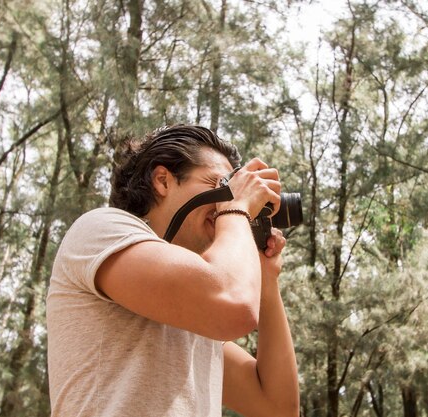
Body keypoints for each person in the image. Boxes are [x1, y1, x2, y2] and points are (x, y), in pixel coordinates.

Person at [46, 125, 299, 416]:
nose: (226, 198)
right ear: (163, 181)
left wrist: (267, 281)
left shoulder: (198, 313)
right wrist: (237, 207)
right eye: (221, 184)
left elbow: (278, 407)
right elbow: (232, 305)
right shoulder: (102, 229)